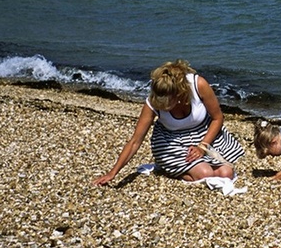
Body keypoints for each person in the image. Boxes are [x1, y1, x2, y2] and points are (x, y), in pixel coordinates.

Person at [93, 59, 245, 185]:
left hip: (205, 135)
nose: (162, 107)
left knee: (226, 174)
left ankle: (190, 167)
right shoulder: (153, 101)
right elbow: (134, 141)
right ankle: (173, 169)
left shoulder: (199, 85)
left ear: (179, 94)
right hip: (171, 141)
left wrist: (202, 146)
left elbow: (218, 118)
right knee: (205, 174)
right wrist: (113, 173)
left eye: (167, 104)